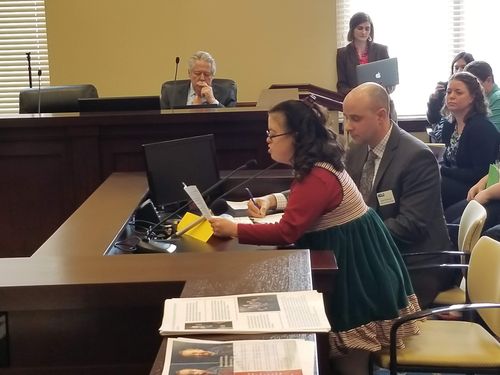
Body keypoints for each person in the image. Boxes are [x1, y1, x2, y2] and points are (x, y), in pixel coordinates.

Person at [209, 97, 420, 374]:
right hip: (356, 257)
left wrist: (234, 229)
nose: (268, 141)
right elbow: (305, 201)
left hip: (355, 269)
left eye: (273, 134)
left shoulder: (317, 175)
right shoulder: (317, 165)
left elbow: (287, 231)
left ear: (296, 136)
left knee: (352, 356)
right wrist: (273, 201)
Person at [343, 82, 458, 309]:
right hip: (378, 254)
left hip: (414, 261)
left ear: (381, 116)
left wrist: (355, 238)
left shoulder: (416, 157)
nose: (347, 126)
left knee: (344, 295)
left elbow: (410, 225)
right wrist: (276, 199)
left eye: (355, 119)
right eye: (346, 118)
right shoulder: (357, 149)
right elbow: (330, 185)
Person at [440, 71, 499, 209]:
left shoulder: (481, 128)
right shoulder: (449, 124)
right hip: (454, 180)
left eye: (458, 92)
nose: (451, 96)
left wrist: (442, 170)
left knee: (433, 184)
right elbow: (448, 162)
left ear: (472, 97)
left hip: (475, 186)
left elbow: (481, 173)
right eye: (449, 92)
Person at [336, 12, 390, 96]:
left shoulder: (381, 50)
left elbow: (391, 81)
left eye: (367, 29)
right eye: (360, 28)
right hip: (356, 101)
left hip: (380, 100)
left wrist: (383, 89)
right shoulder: (342, 54)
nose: (364, 32)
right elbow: (341, 85)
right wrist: (358, 93)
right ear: (352, 29)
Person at [160, 51, 237, 108]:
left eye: (207, 74)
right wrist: (192, 108)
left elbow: (231, 122)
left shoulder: (226, 92)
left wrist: (212, 101)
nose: (202, 78)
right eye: (197, 73)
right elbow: (163, 122)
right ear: (189, 73)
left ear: (213, 75)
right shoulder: (170, 92)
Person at [427, 52, 474, 130]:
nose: (459, 71)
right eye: (456, 68)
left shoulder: (476, 90)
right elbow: (432, 119)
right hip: (446, 129)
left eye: (463, 67)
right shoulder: (443, 88)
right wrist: (433, 101)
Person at [464, 60, 500, 131]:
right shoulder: (481, 99)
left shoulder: (497, 98)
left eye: (475, 85)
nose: (470, 89)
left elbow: (492, 133)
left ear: (489, 80)